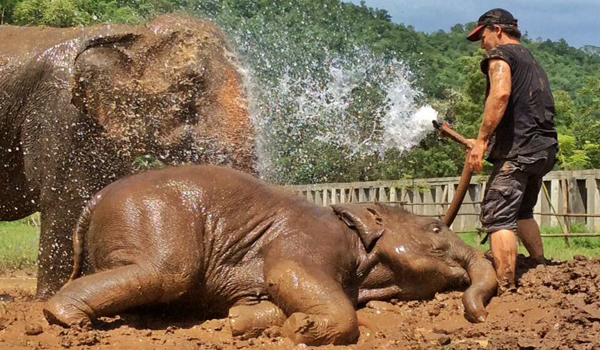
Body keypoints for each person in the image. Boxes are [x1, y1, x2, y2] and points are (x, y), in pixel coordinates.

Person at [466, 8, 558, 292]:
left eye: (482, 36)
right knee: (523, 212)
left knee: (498, 215)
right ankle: (539, 266)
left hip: (519, 151)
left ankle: (506, 287)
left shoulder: (500, 56)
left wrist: (482, 141)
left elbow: (501, 93)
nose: (482, 44)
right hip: (544, 149)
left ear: (497, 30)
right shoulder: (531, 59)